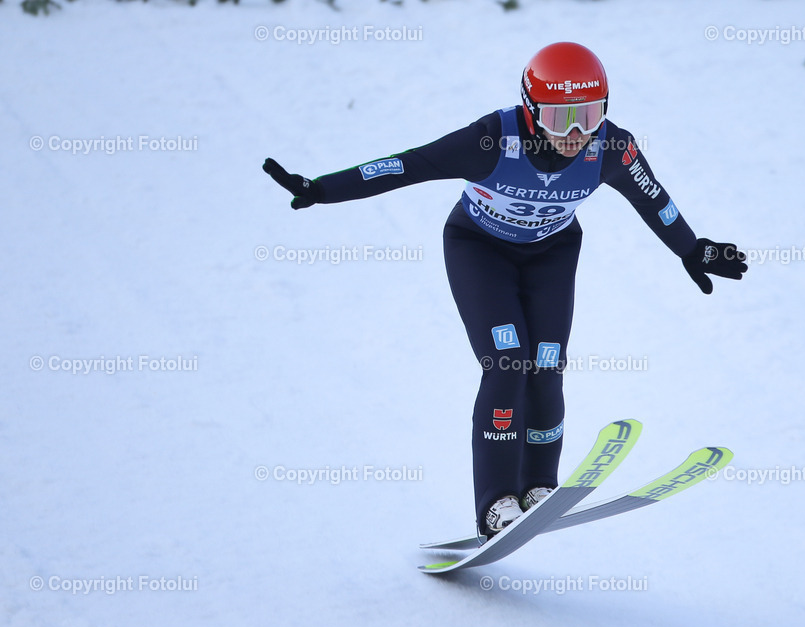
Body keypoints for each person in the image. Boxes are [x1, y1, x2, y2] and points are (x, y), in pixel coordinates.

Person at [263, 42, 747, 540]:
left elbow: (654, 198)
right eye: (562, 120)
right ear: (532, 112)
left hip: (552, 254)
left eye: (591, 115)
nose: (577, 134)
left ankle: (539, 486)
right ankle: (496, 501)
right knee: (507, 363)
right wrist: (321, 188)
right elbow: (407, 165)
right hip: (480, 250)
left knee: (546, 364)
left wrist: (694, 249)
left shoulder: (610, 147)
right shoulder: (492, 140)